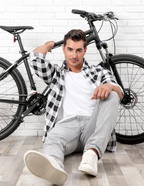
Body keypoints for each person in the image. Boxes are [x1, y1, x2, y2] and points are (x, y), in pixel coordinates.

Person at [23, 29, 123, 185]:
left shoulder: (98, 71)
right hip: (66, 126)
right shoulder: (56, 74)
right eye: (69, 49)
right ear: (64, 49)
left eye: (78, 50)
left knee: (113, 94)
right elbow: (35, 59)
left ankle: (92, 154)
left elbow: (119, 92)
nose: (74, 55)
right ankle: (54, 167)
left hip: (93, 126)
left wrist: (108, 86)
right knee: (53, 138)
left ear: (85, 50)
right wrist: (47, 45)